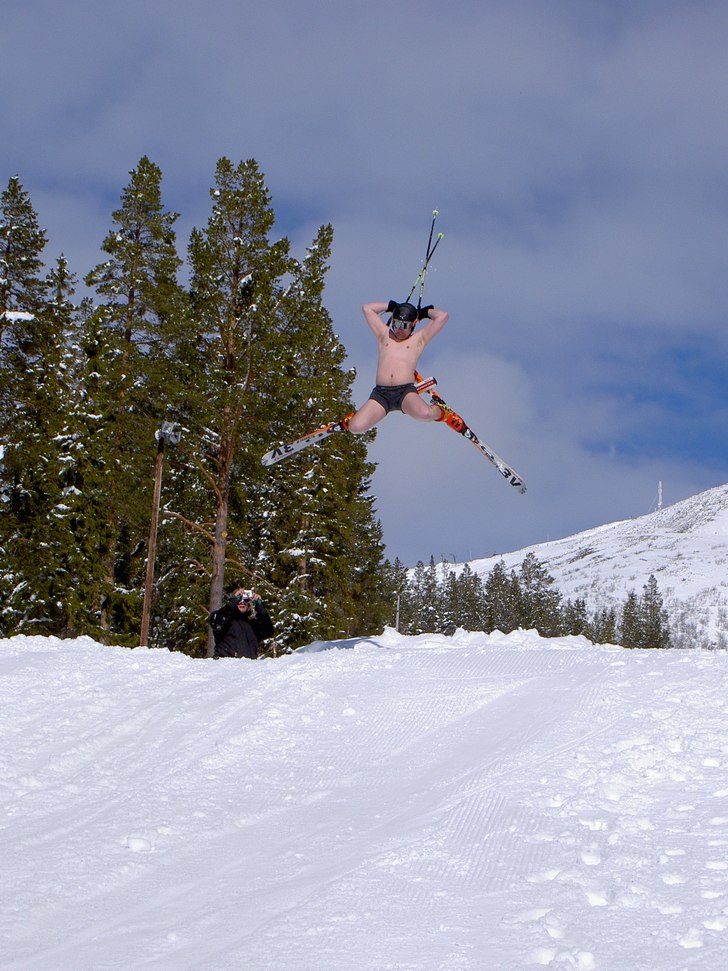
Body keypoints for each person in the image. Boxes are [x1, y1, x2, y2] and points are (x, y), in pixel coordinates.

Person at [345, 300, 450, 434]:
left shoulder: (418, 340)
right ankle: (355, 418)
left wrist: (424, 312)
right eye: (397, 324)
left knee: (424, 414)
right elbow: (367, 309)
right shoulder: (384, 336)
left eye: (404, 325)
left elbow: (442, 316)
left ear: (412, 325)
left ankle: (441, 411)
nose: (400, 329)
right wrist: (391, 306)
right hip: (381, 395)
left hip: (405, 392)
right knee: (355, 428)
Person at [209, 587, 274, 659]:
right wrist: (233, 602)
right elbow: (216, 621)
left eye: (245, 600)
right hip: (226, 664)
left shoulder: (252, 624)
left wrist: (260, 607)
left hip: (248, 666)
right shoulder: (226, 620)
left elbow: (269, 631)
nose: (242, 603)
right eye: (239, 599)